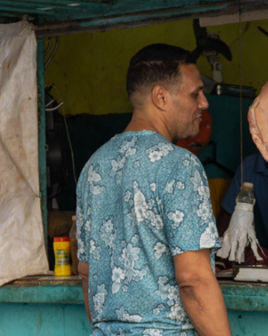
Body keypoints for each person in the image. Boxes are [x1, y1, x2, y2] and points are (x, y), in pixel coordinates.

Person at [76, 44, 232, 335]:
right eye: (194, 94)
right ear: (161, 96)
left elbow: (86, 273)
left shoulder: (93, 167)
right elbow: (193, 280)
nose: (204, 104)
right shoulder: (179, 165)